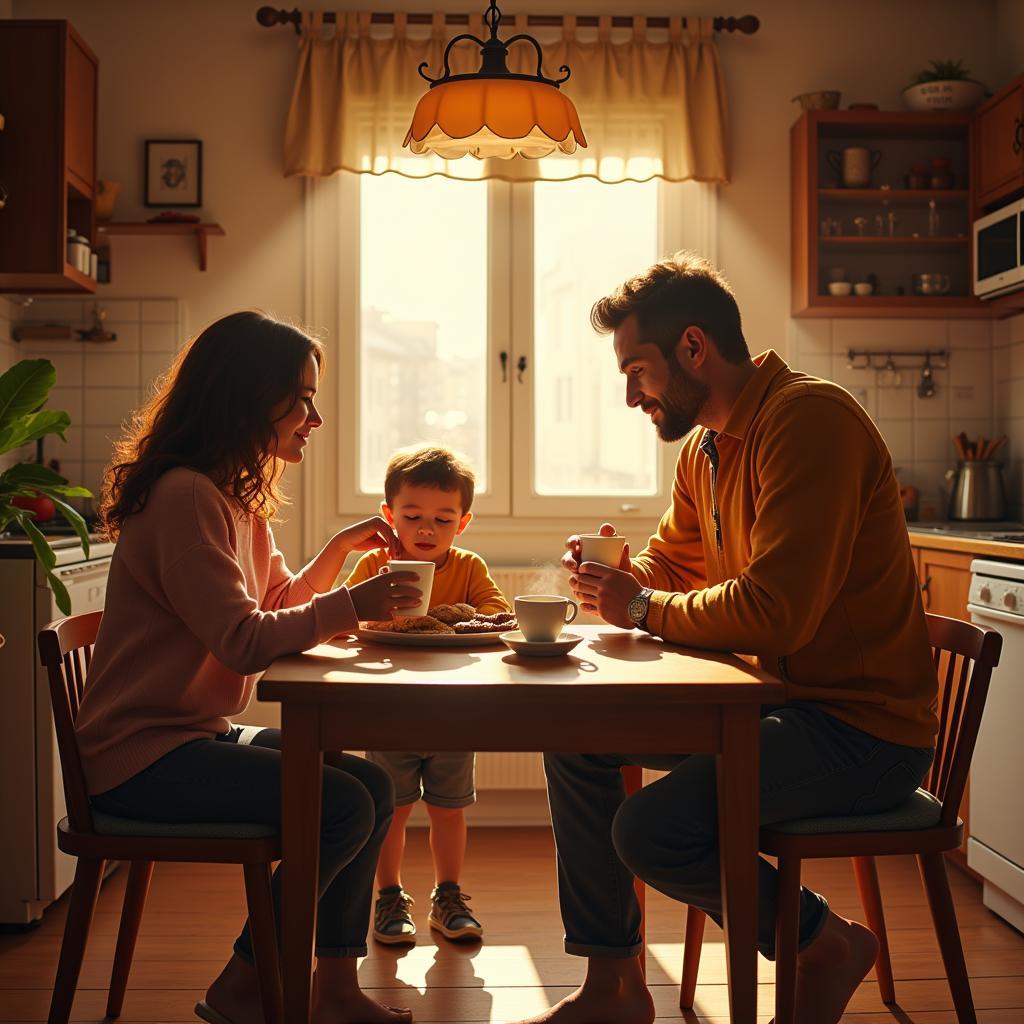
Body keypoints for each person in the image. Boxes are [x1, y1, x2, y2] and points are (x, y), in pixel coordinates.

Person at [520, 252, 937, 1024]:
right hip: (775, 707)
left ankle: (824, 942)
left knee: (650, 829)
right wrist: (616, 573)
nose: (628, 395)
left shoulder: (810, 422)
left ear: (692, 349)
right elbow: (675, 566)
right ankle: (613, 987)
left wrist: (640, 606)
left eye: (635, 370)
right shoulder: (705, 450)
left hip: (861, 730)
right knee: (573, 736)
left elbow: (777, 612)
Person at [75, 311, 425, 1024]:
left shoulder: (233, 499)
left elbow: (273, 604)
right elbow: (243, 640)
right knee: (344, 805)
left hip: (189, 735)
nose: (314, 417)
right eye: (299, 398)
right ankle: (245, 984)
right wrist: (353, 603)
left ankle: (332, 990)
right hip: (139, 758)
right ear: (245, 395)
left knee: (370, 787)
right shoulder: (184, 498)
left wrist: (336, 557)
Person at [343, 444, 511, 946]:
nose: (426, 529)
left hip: (453, 708)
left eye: (442, 519)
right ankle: (389, 896)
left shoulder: (468, 566)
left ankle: (448, 894)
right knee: (389, 808)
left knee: (449, 807)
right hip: (389, 706)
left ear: (462, 523)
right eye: (412, 516)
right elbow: (346, 618)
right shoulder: (375, 564)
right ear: (388, 516)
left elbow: (499, 613)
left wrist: (450, 614)